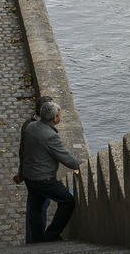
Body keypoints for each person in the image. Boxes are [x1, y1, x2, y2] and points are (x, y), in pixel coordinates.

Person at [22, 100, 82, 243]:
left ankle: (36, 241)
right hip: (43, 179)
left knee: (35, 210)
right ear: (55, 118)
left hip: (29, 177)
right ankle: (50, 236)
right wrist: (84, 165)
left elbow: (23, 150)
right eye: (60, 114)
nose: (61, 116)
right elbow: (66, 158)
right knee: (67, 201)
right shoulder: (50, 135)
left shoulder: (30, 127)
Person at [14, 95, 54, 242]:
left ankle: (32, 239)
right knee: (40, 207)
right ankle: (35, 241)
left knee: (34, 206)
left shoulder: (27, 124)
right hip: (40, 175)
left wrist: (21, 173)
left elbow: (22, 151)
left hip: (31, 174)